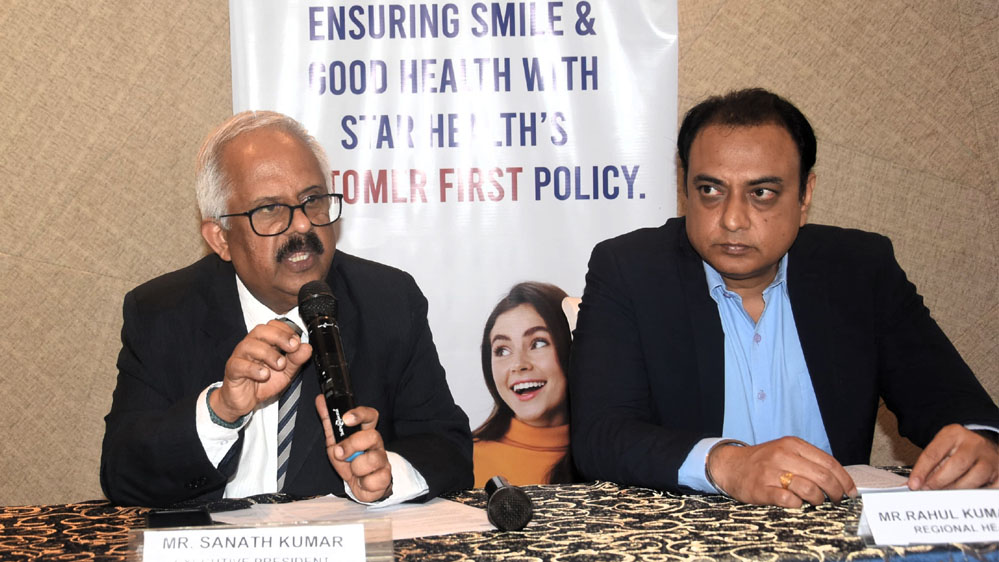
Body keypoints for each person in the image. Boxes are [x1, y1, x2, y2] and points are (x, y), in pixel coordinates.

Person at [569, 88, 999, 508]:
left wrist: (981, 442)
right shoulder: (629, 271)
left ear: (805, 195)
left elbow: (951, 399)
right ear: (685, 190)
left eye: (761, 193)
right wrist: (727, 463)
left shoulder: (860, 270)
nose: (733, 219)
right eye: (711, 190)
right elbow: (600, 436)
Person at [101, 110, 472, 507]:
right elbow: (123, 475)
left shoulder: (387, 300)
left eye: (312, 200)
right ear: (220, 238)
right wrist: (221, 411)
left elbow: (447, 447)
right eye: (269, 209)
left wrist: (384, 475)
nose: (302, 226)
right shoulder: (162, 312)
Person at [473, 282, 576, 487]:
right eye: (502, 350)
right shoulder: (462, 459)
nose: (518, 364)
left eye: (538, 343)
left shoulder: (613, 455)